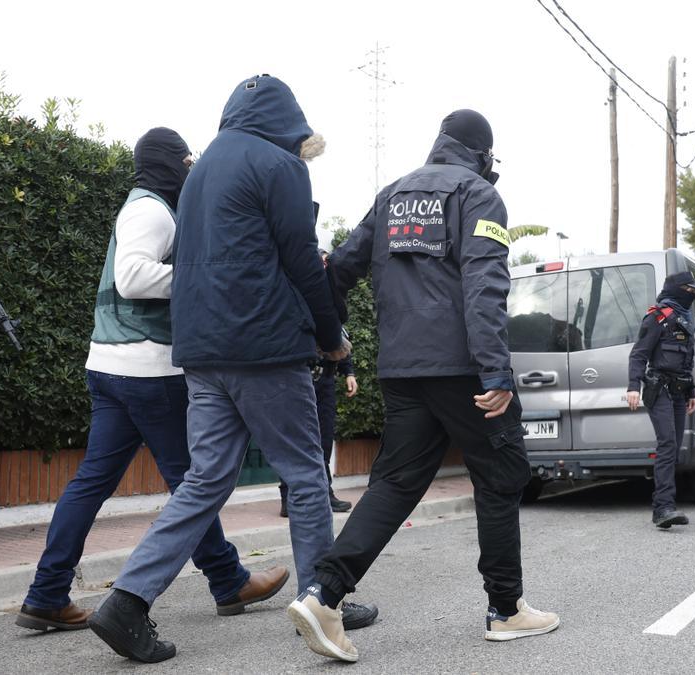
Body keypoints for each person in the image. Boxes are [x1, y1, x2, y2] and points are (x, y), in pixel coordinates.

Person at [86, 76, 377, 664]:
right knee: (305, 474)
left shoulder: (200, 172)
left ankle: (127, 600)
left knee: (206, 478)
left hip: (201, 350)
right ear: (289, 124)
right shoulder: (281, 166)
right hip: (265, 347)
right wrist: (331, 338)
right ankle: (324, 599)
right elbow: (301, 260)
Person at [287, 109, 560, 664]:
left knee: (393, 485)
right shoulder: (478, 194)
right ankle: (506, 610)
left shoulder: (391, 196)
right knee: (502, 474)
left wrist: (330, 337)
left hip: (403, 370)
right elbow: (484, 286)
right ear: (483, 155)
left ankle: (323, 595)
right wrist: (495, 373)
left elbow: (337, 268)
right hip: (463, 371)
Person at [15, 128, 289, 632]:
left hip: (112, 368)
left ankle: (47, 594)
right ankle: (228, 581)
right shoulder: (151, 210)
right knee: (194, 484)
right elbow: (134, 276)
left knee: (95, 483)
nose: (191, 171)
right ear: (170, 163)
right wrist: (202, 275)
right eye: (186, 162)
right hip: (149, 371)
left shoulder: (147, 206)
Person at [279, 249, 358, 518]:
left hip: (324, 378)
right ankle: (289, 497)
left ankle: (326, 492)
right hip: (298, 375)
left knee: (323, 439)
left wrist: (349, 372)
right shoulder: (294, 290)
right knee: (295, 439)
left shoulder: (330, 297)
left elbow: (339, 334)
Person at [626, 271, 695, 529]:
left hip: (679, 391)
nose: (692, 294)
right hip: (658, 389)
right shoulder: (657, 317)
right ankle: (663, 508)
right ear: (677, 288)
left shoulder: (685, 319)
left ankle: (667, 504)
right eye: (689, 289)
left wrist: (691, 391)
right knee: (667, 443)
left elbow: (686, 360)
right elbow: (638, 354)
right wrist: (633, 387)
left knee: (674, 447)